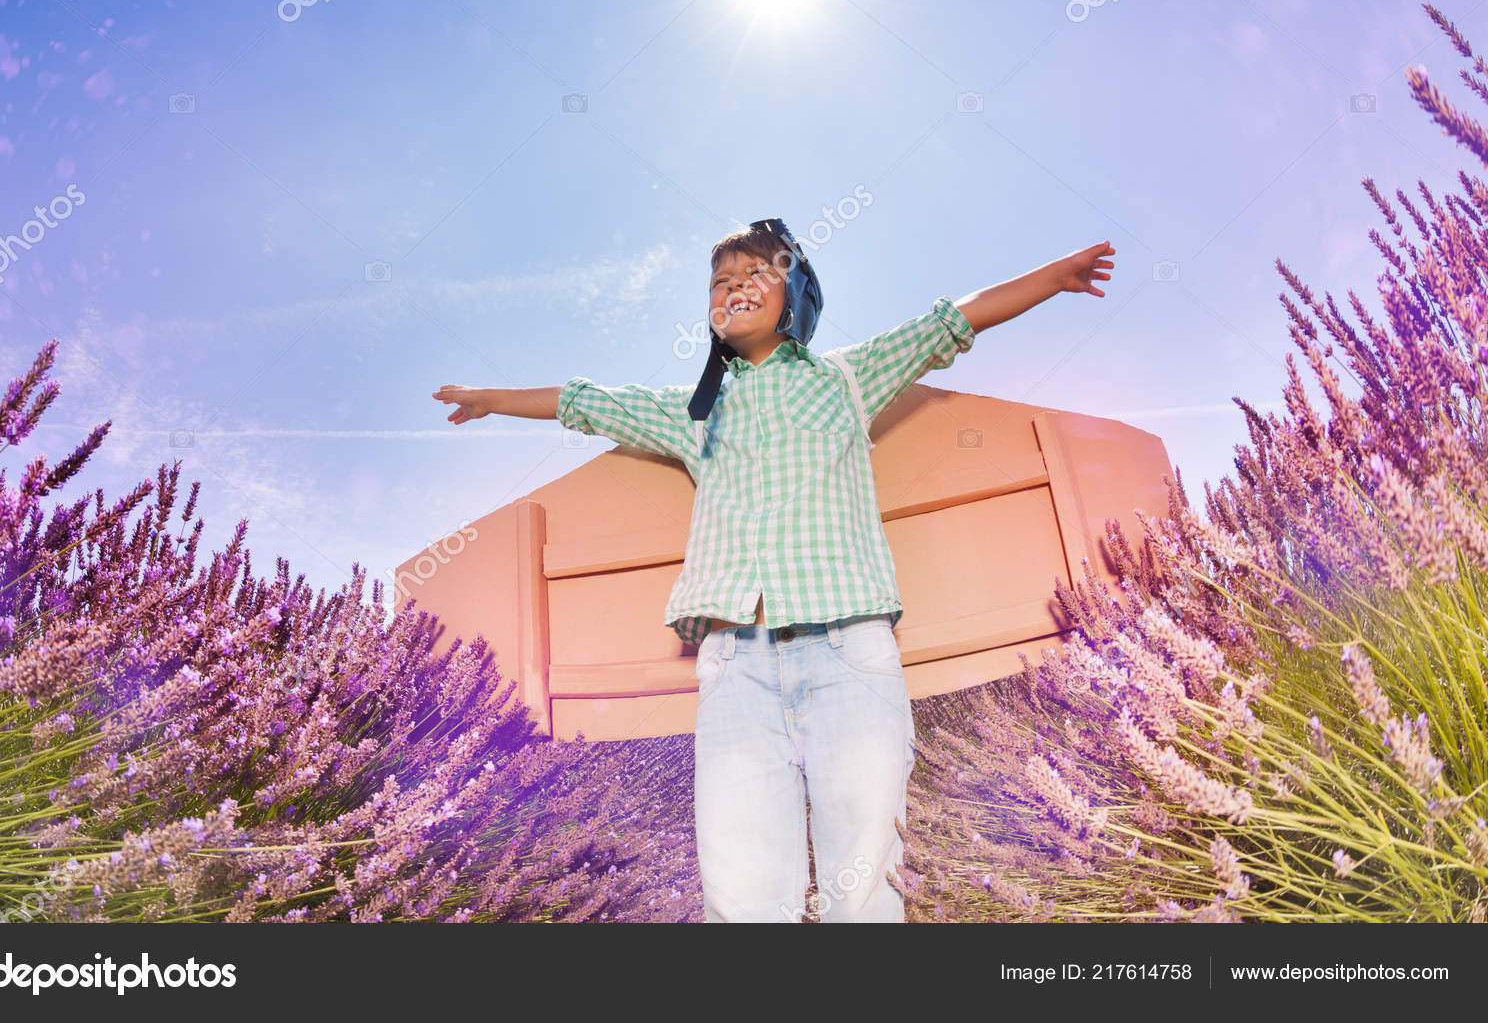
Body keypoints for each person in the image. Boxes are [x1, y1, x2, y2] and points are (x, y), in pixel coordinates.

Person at [433, 222, 1114, 921]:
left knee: (865, 880)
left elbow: (948, 322)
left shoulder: (847, 378)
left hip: (849, 649)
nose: (734, 288)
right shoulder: (693, 413)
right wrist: (492, 397)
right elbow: (586, 400)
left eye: (755, 273)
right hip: (737, 668)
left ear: (794, 293)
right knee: (742, 889)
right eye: (720, 282)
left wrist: (1052, 278)